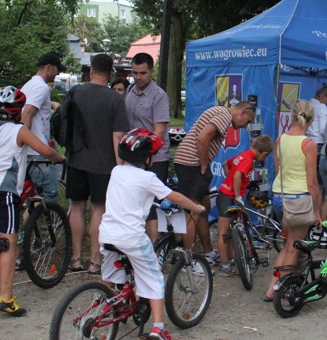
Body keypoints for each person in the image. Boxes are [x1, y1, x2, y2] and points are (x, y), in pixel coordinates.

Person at [98, 128, 205, 340]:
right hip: (132, 238)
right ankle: (158, 328)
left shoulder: (116, 171)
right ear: (147, 157)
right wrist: (197, 207)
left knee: (111, 273)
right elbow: (174, 196)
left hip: (107, 234)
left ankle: (106, 305)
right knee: (154, 277)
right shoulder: (148, 178)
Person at [0, 86, 65, 317]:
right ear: (18, 111)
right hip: (5, 193)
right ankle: (5, 298)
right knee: (9, 243)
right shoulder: (19, 131)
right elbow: (45, 150)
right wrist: (60, 158)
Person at [66, 53, 129, 274]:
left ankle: (75, 258)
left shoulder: (75, 92)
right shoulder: (115, 99)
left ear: (91, 70)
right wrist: (120, 167)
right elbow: (118, 135)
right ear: (110, 73)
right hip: (103, 163)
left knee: (76, 206)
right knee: (99, 209)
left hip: (76, 159)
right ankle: (95, 260)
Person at [173, 101, 256, 264]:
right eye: (247, 122)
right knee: (193, 211)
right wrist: (204, 165)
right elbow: (203, 138)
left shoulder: (221, 112)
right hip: (191, 164)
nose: (245, 126)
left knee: (204, 206)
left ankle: (208, 252)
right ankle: (188, 261)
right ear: (242, 113)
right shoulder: (225, 116)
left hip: (189, 162)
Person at [263, 100, 322, 301]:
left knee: (287, 243)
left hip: (280, 197)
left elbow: (278, 170)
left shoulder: (280, 140)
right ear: (312, 120)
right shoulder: (309, 145)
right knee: (293, 248)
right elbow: (312, 183)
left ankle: (272, 289)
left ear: (292, 116)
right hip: (299, 200)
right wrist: (317, 212)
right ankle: (283, 289)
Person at [125, 52, 171, 242]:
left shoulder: (159, 96)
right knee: (134, 204)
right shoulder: (130, 90)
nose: (138, 77)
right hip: (133, 157)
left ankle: (154, 249)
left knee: (151, 206)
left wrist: (146, 154)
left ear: (152, 72)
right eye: (134, 72)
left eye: (142, 73)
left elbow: (159, 131)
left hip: (154, 158)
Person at [216, 135, 274, 277]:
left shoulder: (244, 155)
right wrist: (237, 195)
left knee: (232, 231)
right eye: (266, 157)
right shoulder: (248, 159)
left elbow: (226, 164)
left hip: (228, 195)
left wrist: (229, 181)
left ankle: (231, 261)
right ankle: (225, 266)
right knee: (224, 232)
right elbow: (237, 175)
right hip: (227, 197)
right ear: (264, 153)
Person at [20, 52, 63, 206]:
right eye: (57, 69)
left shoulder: (29, 85)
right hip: (36, 152)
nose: (58, 73)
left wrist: (51, 104)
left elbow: (32, 105)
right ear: (49, 67)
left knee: (33, 195)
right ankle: (32, 219)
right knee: (49, 196)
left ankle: (30, 221)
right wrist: (25, 144)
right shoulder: (42, 87)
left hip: (31, 151)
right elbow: (27, 114)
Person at [306, 84, 327, 153]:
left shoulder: (307, 104)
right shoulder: (322, 107)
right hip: (317, 141)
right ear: (322, 96)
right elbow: (322, 129)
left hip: (306, 140)